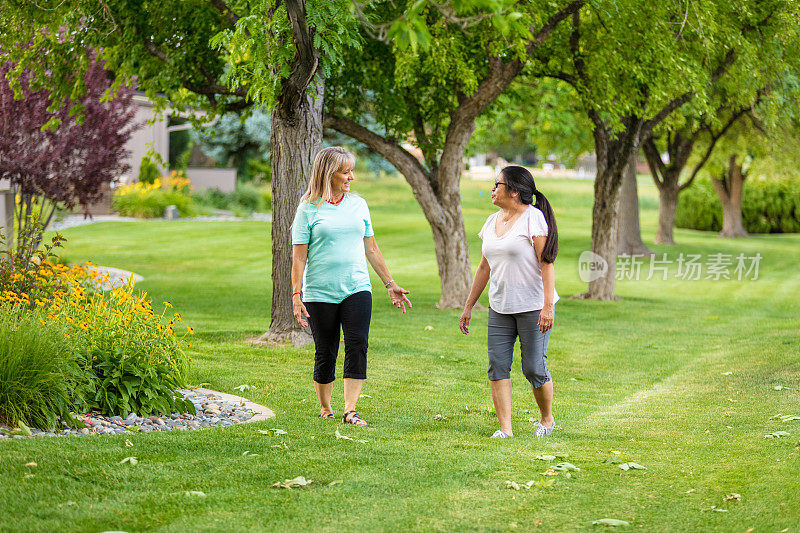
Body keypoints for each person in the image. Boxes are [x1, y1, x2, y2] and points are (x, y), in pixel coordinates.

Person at [291, 146, 411, 427]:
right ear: (328, 174)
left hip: (356, 286)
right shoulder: (307, 209)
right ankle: (325, 407)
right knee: (326, 350)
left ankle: (350, 410)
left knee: (358, 344)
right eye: (346, 172)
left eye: (351, 171)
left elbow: (371, 247)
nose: (351, 177)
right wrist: (297, 295)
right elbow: (298, 257)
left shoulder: (359, 205)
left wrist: (389, 283)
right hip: (320, 291)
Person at [459, 165, 559, 438]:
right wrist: (469, 306)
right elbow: (484, 268)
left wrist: (547, 306)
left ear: (514, 191)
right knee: (498, 365)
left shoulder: (533, 218)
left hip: (533, 306)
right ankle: (505, 429)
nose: (493, 189)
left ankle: (547, 419)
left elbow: (546, 264)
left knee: (534, 367)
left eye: (498, 184)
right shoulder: (491, 221)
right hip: (500, 307)